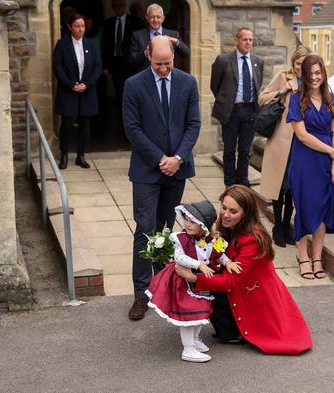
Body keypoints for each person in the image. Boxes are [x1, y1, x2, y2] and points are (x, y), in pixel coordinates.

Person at [174, 185, 313, 355]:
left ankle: (234, 331)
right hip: (238, 283)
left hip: (254, 293)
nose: (225, 214)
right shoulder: (225, 225)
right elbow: (211, 252)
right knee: (203, 280)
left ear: (245, 213)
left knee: (203, 285)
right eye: (224, 208)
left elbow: (231, 281)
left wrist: (194, 278)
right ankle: (225, 328)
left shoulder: (252, 239)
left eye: (233, 211)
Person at [123, 36, 201, 320]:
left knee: (166, 230)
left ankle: (163, 286)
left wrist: (177, 158)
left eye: (168, 63)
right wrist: (160, 159)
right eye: (159, 64)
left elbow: (193, 124)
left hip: (177, 168)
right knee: (145, 228)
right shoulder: (133, 85)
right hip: (146, 169)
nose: (164, 69)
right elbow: (132, 128)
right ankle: (141, 294)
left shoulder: (188, 83)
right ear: (148, 56)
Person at [146, 201, 241, 363]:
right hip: (182, 280)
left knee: (201, 311)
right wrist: (199, 264)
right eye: (187, 220)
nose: (187, 224)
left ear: (203, 226)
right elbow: (179, 257)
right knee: (188, 315)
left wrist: (228, 262)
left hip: (201, 281)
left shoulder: (212, 239)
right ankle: (188, 349)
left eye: (193, 222)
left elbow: (219, 255)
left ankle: (195, 339)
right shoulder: (182, 238)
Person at [286, 55, 334, 279]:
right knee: (304, 207)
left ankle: (317, 258)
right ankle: (303, 256)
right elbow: (302, 136)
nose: (314, 78)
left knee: (322, 210)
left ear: (323, 74)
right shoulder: (296, 99)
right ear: (303, 76)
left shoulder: (331, 98)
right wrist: (331, 152)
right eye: (310, 73)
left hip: (326, 163)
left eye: (318, 73)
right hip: (304, 161)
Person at [258, 46, 311, 247]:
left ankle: (287, 224)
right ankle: (278, 226)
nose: (300, 68)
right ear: (293, 63)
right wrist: (283, 91)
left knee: (293, 187)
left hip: (302, 140)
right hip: (281, 140)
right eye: (298, 64)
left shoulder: (313, 80)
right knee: (280, 186)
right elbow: (262, 98)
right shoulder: (283, 76)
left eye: (304, 64)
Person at [210, 27, 264, 187]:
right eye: (244, 39)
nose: (248, 43)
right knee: (229, 150)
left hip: (250, 110)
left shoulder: (258, 61)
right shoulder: (224, 60)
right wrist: (226, 101)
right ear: (237, 41)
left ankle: (242, 182)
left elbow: (257, 84)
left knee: (246, 150)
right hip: (231, 111)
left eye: (250, 40)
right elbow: (215, 85)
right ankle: (229, 182)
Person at [52, 13, 102, 170]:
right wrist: (70, 84)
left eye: (83, 26)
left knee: (85, 125)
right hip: (68, 90)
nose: (81, 29)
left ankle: (81, 156)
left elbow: (97, 66)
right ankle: (64, 155)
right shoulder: (62, 44)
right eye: (77, 26)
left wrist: (87, 84)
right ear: (70, 27)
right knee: (66, 124)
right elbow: (57, 67)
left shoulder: (90, 44)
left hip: (87, 91)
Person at [102, 0, 139, 131]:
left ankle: (132, 122)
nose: (119, 7)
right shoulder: (108, 23)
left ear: (125, 6)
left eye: (121, 5)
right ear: (112, 7)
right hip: (115, 64)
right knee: (119, 93)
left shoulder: (135, 21)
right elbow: (105, 45)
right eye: (116, 5)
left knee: (131, 93)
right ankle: (122, 123)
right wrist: (105, 65)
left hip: (130, 64)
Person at [128, 3, 189, 74]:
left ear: (163, 18)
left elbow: (186, 53)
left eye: (158, 17)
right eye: (152, 17)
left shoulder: (173, 34)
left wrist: (175, 41)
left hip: (167, 76)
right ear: (147, 18)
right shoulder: (137, 35)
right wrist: (145, 53)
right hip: (145, 77)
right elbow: (130, 62)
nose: (155, 20)